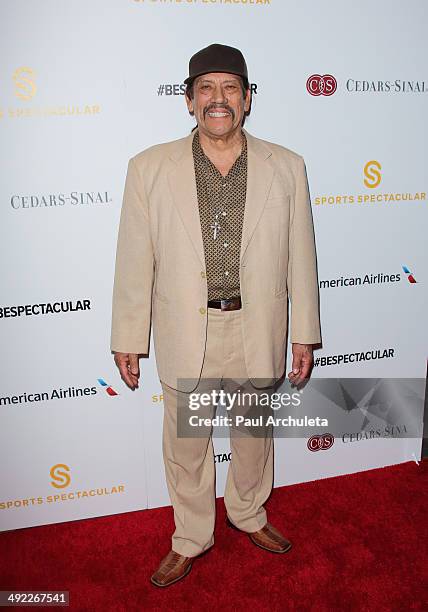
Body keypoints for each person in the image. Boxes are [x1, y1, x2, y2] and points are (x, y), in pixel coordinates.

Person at [110, 43, 321, 587]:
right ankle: (191, 537)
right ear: (188, 100)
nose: (217, 99)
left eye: (230, 88)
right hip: (187, 330)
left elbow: (303, 257)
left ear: (248, 100)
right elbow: (135, 261)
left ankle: (249, 513)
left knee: (253, 438)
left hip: (256, 327)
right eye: (205, 88)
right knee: (187, 445)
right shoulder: (148, 169)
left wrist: (304, 333)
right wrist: (128, 336)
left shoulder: (287, 166)